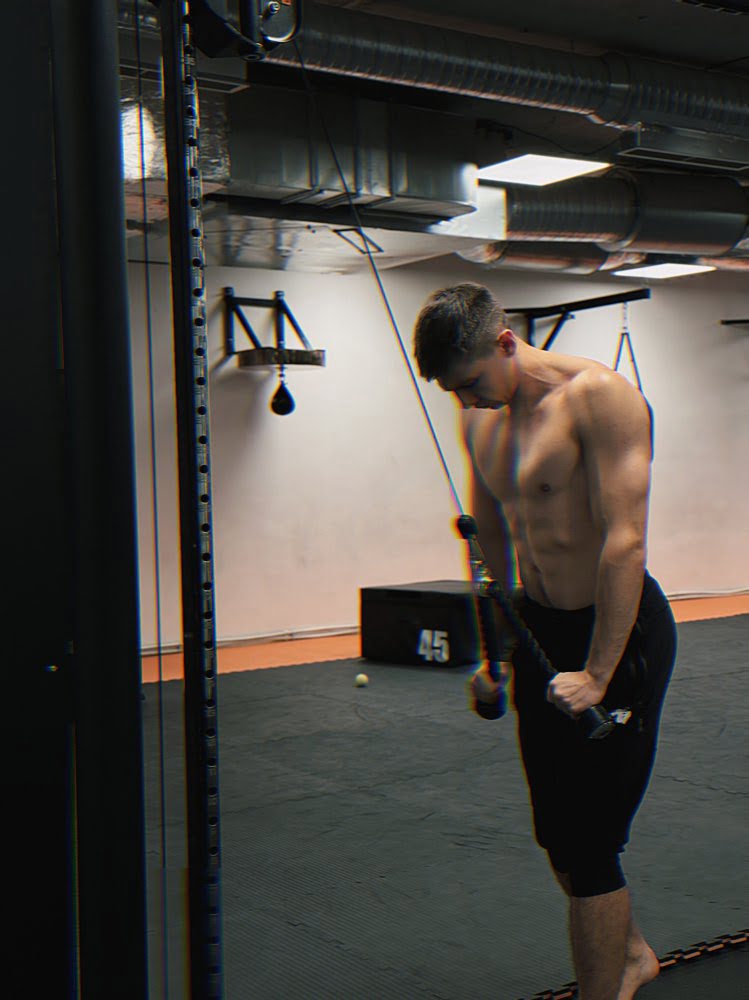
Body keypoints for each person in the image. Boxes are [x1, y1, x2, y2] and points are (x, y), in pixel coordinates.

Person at [413, 283, 677, 1000]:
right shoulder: (479, 419)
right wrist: (495, 654)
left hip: (617, 630)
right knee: (557, 835)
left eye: (470, 382)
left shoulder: (601, 398)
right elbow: (493, 542)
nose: (465, 400)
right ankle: (631, 955)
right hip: (540, 632)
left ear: (505, 343)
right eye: (452, 391)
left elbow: (625, 541)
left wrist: (597, 672)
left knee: (589, 847)